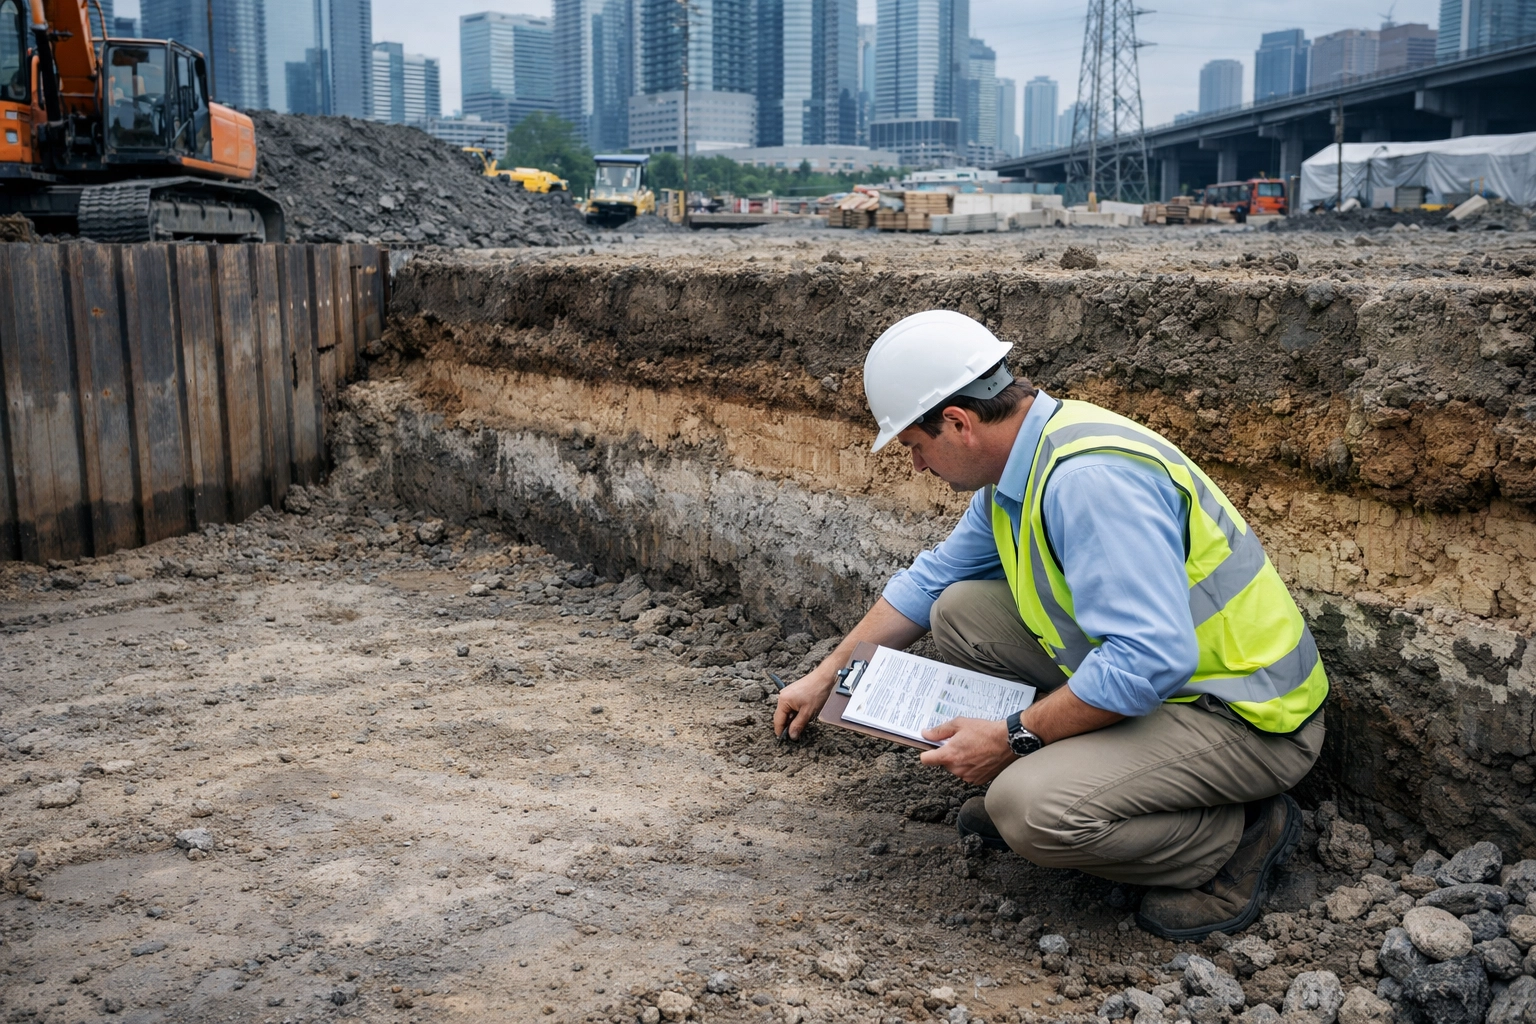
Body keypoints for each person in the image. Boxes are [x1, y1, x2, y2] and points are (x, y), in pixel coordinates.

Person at [773, 310, 1328, 940]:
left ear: (958, 422)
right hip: (1175, 684)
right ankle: (1091, 771)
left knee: (1026, 810)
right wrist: (830, 675)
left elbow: (1146, 660)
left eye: (916, 447)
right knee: (959, 610)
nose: (920, 467)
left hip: (1247, 715)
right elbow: (928, 585)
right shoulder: (1026, 461)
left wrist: (1012, 739)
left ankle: (1235, 838)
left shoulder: (1088, 481)